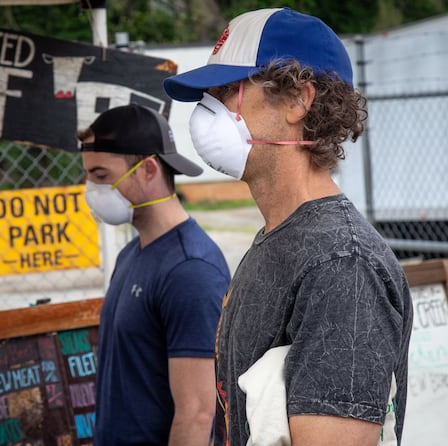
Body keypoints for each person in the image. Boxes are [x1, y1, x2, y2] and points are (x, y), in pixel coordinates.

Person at [163, 7, 413, 446]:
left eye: (226, 90)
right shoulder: (279, 238)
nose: (207, 110)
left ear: (299, 99)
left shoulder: (342, 265)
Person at [78, 104, 231, 445]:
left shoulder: (191, 270)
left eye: (101, 176)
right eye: (88, 175)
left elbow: (197, 414)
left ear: (148, 169)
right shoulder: (131, 255)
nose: (90, 189)